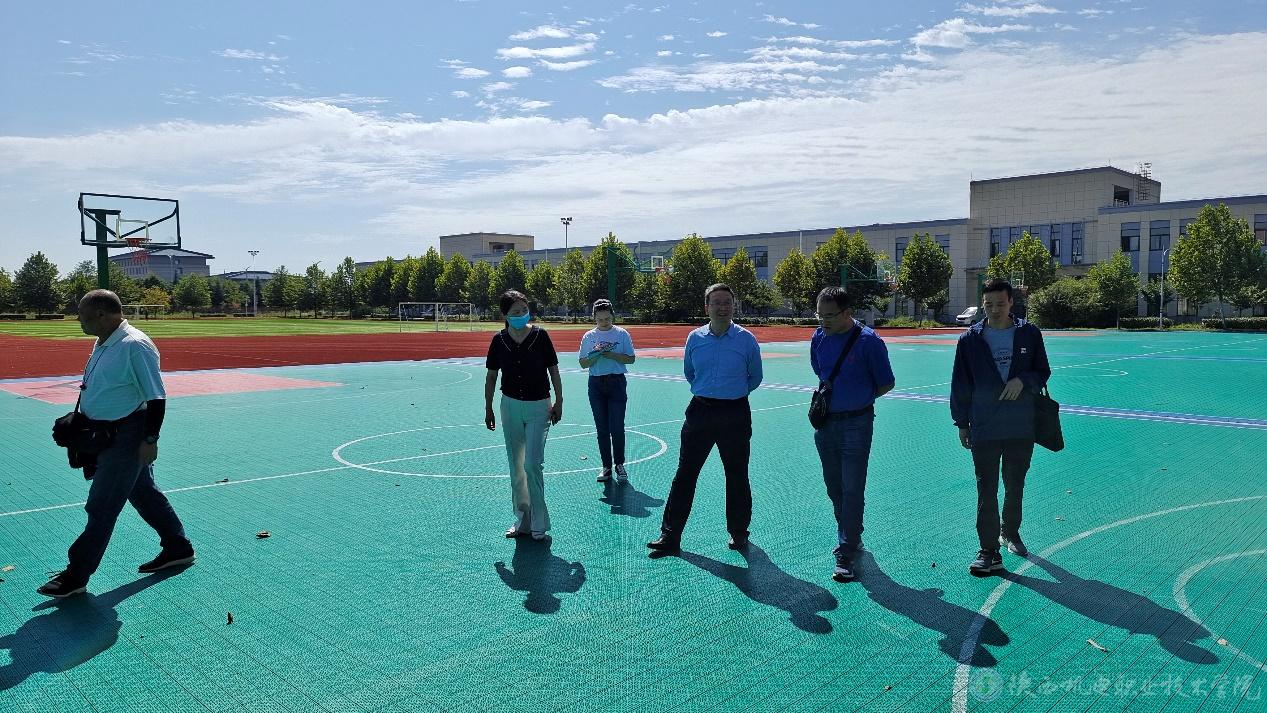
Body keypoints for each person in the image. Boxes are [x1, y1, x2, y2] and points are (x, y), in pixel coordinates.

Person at [38, 290, 195, 598]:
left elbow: (156, 397)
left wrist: (150, 439)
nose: (79, 322)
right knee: (144, 492)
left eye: (83, 316)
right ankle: (178, 547)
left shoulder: (134, 345)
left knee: (101, 505)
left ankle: (77, 574)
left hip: (127, 435)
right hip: (107, 432)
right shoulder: (105, 341)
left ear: (101, 315)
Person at [648, 283, 763, 553]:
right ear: (706, 307)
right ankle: (670, 536)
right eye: (717, 303)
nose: (723, 307)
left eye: (727, 302)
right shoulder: (695, 338)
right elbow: (690, 373)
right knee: (685, 474)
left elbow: (755, 377)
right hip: (700, 411)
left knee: (736, 474)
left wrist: (731, 393)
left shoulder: (746, 339)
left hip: (734, 413)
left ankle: (739, 533)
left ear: (734, 306)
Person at [951, 278, 1051, 575]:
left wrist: (1024, 380)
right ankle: (988, 550)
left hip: (1021, 425)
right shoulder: (970, 340)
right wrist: (962, 423)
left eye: (1000, 303)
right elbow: (960, 383)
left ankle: (1011, 532)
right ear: (983, 305)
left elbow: (1043, 371)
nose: (994, 309)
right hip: (984, 424)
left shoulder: (1029, 333)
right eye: (988, 304)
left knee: (1015, 484)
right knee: (986, 489)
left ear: (1011, 303)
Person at [810, 287, 895, 582]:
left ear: (847, 313)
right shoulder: (818, 337)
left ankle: (846, 549)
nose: (823, 321)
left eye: (829, 315)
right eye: (819, 315)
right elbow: (820, 372)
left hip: (857, 424)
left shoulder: (869, 342)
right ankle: (851, 533)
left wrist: (858, 398)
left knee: (852, 486)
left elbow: (886, 383)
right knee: (834, 486)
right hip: (826, 424)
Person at [485, 290, 564, 541]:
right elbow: (491, 376)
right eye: (515, 312)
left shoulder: (541, 336)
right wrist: (488, 407)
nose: (521, 315)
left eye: (524, 310)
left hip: (539, 407)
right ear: (505, 315)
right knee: (516, 466)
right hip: (510, 407)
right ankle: (522, 521)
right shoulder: (499, 340)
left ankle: (540, 524)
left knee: (532, 464)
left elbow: (553, 370)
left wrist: (559, 400)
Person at [578, 298, 636, 484]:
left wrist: (611, 355)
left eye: (607, 319)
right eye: (600, 319)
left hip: (616, 383)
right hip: (596, 385)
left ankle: (619, 465)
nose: (604, 322)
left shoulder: (621, 334)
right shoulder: (589, 336)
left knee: (617, 427)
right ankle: (606, 467)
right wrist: (596, 355)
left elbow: (631, 359)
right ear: (594, 318)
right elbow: (583, 363)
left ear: (613, 316)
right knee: (602, 428)